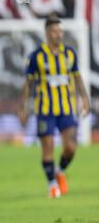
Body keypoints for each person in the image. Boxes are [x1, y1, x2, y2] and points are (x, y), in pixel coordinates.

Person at [19, 16, 90, 198]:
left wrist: (84, 98)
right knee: (48, 146)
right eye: (55, 32)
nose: (58, 35)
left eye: (61, 32)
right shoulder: (36, 57)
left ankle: (60, 170)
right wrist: (23, 107)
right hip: (45, 110)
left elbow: (76, 77)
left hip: (66, 108)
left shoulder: (70, 54)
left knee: (71, 147)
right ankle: (52, 184)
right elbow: (28, 84)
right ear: (47, 33)